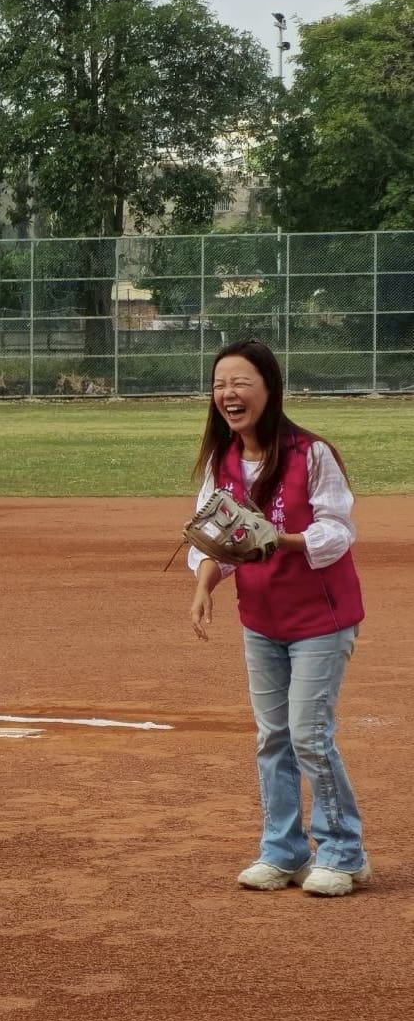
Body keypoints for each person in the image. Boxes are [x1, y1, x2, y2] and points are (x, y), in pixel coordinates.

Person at [187, 338, 371, 897]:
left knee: (309, 735)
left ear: (269, 388)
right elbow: (211, 538)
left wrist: (280, 540)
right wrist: (204, 586)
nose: (228, 394)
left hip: (321, 618)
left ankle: (344, 853)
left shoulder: (311, 453)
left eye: (241, 382)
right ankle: (284, 851)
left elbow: (338, 531)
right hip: (262, 620)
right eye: (220, 384)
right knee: (273, 737)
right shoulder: (222, 462)